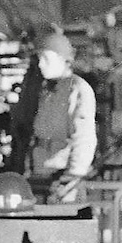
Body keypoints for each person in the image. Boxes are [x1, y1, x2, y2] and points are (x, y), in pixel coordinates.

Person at [27, 28, 98, 203]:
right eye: (39, 59)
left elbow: (84, 139)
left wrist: (72, 178)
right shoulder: (46, 91)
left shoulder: (78, 90)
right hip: (41, 176)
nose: (41, 64)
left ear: (63, 59)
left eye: (46, 59)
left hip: (63, 181)